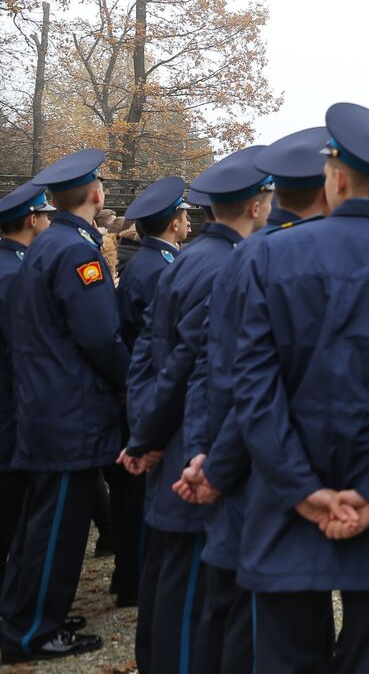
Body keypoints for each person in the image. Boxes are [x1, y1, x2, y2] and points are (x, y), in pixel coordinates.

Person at [231, 104, 369, 673]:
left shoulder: (270, 254)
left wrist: (300, 489)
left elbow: (253, 386)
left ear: (334, 177)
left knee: (284, 658)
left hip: (286, 500)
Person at [177, 126, 331, 674]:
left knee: (226, 624)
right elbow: (259, 387)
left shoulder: (242, 257)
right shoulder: (297, 261)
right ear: (330, 186)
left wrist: (201, 455)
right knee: (275, 638)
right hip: (266, 482)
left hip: (228, 468)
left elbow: (207, 368)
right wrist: (217, 466)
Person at [122, 150, 272, 674]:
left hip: (170, 434)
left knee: (165, 578)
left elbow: (147, 351)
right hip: (193, 439)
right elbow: (189, 359)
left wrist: (143, 429)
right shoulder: (229, 264)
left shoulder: (185, 258)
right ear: (256, 205)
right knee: (189, 594)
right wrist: (155, 434)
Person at [0, 149, 124, 662]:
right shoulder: (76, 252)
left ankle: (25, 613)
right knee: (57, 529)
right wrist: (129, 380)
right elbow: (99, 335)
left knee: (40, 524)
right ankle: (33, 630)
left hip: (46, 406)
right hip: (69, 412)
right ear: (95, 194)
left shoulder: (47, 245)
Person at [112, 176, 195, 613]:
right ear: (174, 222)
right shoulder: (161, 268)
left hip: (137, 391)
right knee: (141, 495)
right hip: (148, 395)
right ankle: (135, 579)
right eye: (183, 214)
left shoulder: (145, 262)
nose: (187, 221)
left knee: (131, 494)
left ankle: (128, 574)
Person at [0, 182, 55, 585]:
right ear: (33, 219)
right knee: (14, 505)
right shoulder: (19, 273)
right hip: (12, 405)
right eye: (46, 214)